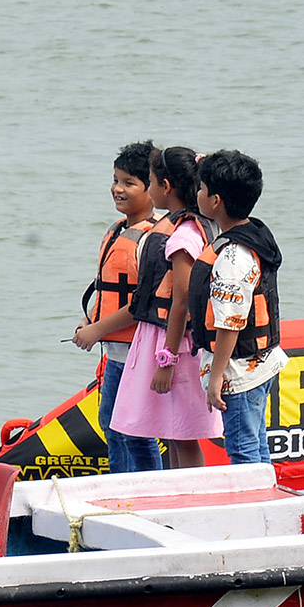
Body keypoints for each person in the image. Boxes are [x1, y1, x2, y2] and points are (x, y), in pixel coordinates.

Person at [100, 146, 221, 469]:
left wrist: (166, 360)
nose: (151, 190)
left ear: (165, 187)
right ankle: (172, 496)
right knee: (171, 432)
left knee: (183, 434)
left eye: (150, 182)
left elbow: (181, 299)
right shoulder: (181, 226)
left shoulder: (183, 235)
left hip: (176, 347)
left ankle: (189, 503)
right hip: (167, 342)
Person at [190, 150, 288, 465]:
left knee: (243, 450)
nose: (198, 194)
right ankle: (268, 506)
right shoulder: (255, 236)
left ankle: (256, 511)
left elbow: (230, 323)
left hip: (239, 371)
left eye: (201, 189)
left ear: (215, 200)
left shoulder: (231, 258)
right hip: (262, 364)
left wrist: (216, 377)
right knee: (256, 446)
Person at [71, 141, 162, 474]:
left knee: (135, 431)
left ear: (152, 189)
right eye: (115, 180)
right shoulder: (116, 231)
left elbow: (143, 303)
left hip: (138, 353)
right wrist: (90, 319)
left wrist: (97, 330)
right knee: (110, 423)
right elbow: (110, 289)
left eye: (128, 183)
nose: (117, 189)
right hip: (116, 353)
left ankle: (148, 492)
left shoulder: (152, 239)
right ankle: (119, 487)